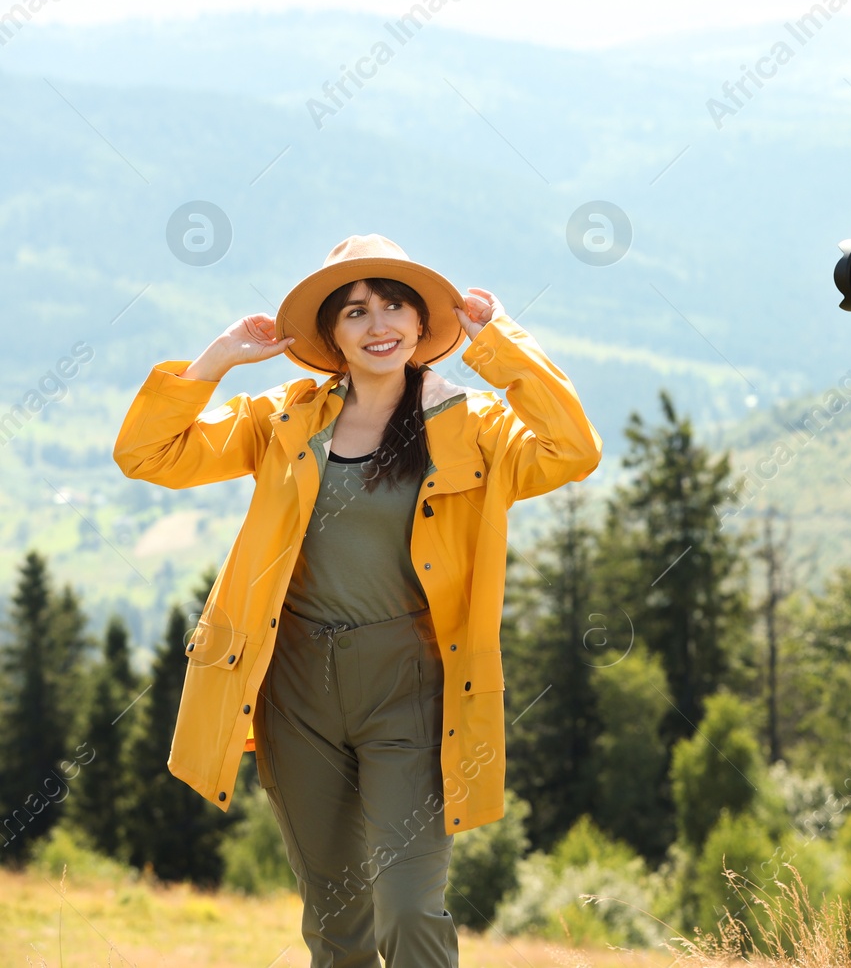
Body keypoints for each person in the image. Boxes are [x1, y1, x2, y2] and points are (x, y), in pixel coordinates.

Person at [113, 234, 603, 967]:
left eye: (395, 305)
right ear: (331, 335)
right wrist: (215, 359)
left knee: (408, 910)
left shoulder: (472, 426)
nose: (380, 324)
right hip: (295, 689)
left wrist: (499, 344)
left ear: (419, 322)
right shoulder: (284, 418)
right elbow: (147, 453)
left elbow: (573, 449)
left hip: (409, 690)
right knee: (336, 923)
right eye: (356, 311)